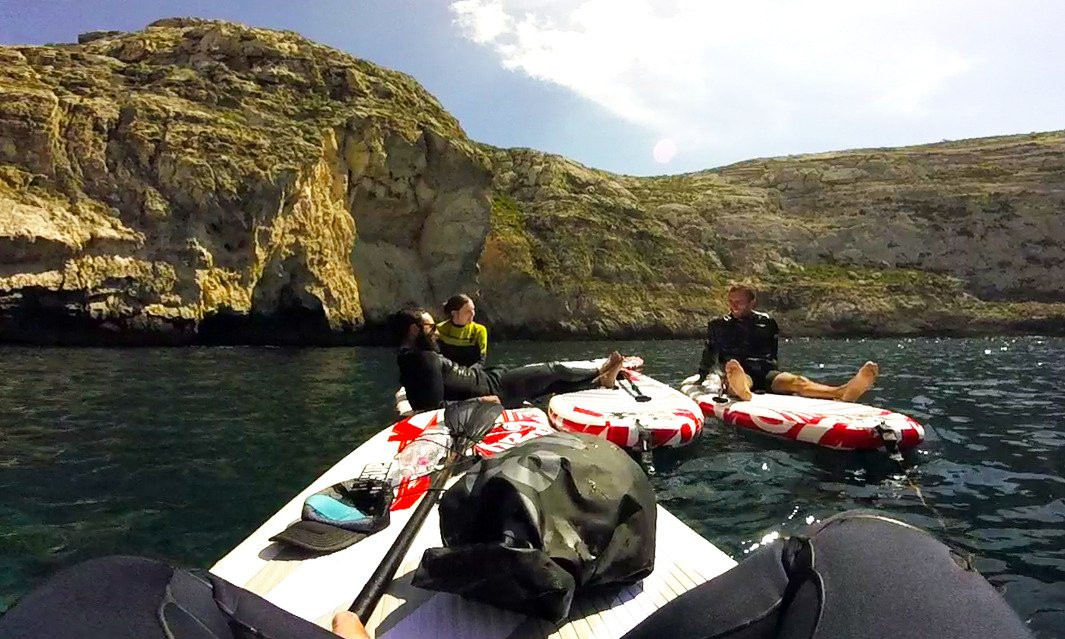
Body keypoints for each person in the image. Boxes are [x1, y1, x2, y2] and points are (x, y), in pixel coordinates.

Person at [394, 306, 625, 411]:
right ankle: (599, 372)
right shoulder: (424, 359)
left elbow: (425, 398)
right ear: (415, 330)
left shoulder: (408, 358)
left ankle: (599, 382)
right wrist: (479, 402)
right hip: (496, 388)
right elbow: (432, 408)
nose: (436, 331)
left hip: (491, 379)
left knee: (547, 383)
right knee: (553, 370)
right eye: (430, 327)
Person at [697, 283, 879, 402]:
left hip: (765, 372)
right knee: (741, 378)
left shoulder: (767, 322)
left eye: (739, 302)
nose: (734, 306)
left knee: (797, 381)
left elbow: (772, 354)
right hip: (739, 371)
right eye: (731, 302)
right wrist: (702, 376)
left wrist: (777, 379)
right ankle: (742, 391)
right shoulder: (718, 325)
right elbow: (709, 352)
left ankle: (841, 392)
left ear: (752, 302)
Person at [436, 293, 488, 367]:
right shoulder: (439, 329)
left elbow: (481, 360)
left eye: (473, 310)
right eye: (468, 311)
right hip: (448, 372)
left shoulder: (479, 331)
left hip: (471, 374)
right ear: (454, 313)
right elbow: (436, 356)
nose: (473, 314)